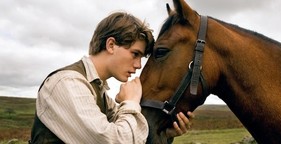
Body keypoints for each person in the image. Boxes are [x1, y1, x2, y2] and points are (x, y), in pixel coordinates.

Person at [30, 12, 194, 143]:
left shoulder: (98, 91)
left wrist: (164, 133)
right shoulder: (67, 83)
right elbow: (116, 140)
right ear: (111, 45)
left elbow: (132, 133)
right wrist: (130, 102)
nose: (138, 65)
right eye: (135, 54)